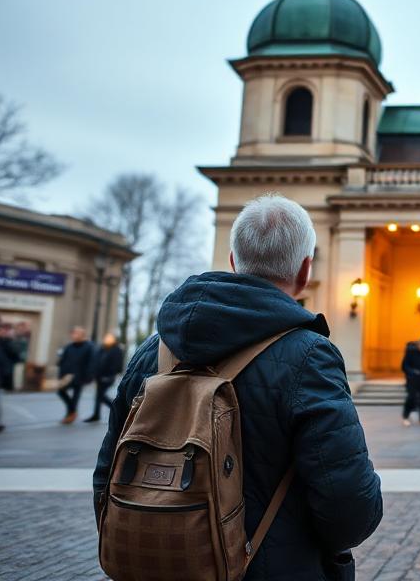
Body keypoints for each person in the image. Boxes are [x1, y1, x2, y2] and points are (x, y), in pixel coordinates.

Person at [93, 193, 382, 579]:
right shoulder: (311, 355)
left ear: (234, 261)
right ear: (305, 269)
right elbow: (349, 510)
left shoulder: (152, 351)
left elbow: (107, 473)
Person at [57, 327, 95, 424]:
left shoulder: (89, 346)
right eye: (73, 333)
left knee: (75, 396)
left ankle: (70, 414)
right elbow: (62, 361)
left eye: (76, 333)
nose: (73, 335)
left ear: (82, 335)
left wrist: (89, 376)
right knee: (61, 392)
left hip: (80, 376)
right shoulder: (69, 346)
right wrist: (61, 374)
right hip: (67, 376)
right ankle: (72, 412)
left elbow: (91, 362)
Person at [84, 332, 124, 423]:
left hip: (108, 376)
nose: (107, 339)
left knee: (101, 396)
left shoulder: (117, 349)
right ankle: (96, 415)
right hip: (99, 375)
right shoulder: (102, 348)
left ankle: (117, 410)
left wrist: (111, 373)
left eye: (110, 338)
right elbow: (96, 361)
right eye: (106, 337)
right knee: (98, 396)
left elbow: (118, 364)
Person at [0, 320, 21, 433]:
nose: (2, 332)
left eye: (3, 330)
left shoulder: (7, 343)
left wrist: (8, 340)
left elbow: (17, 357)